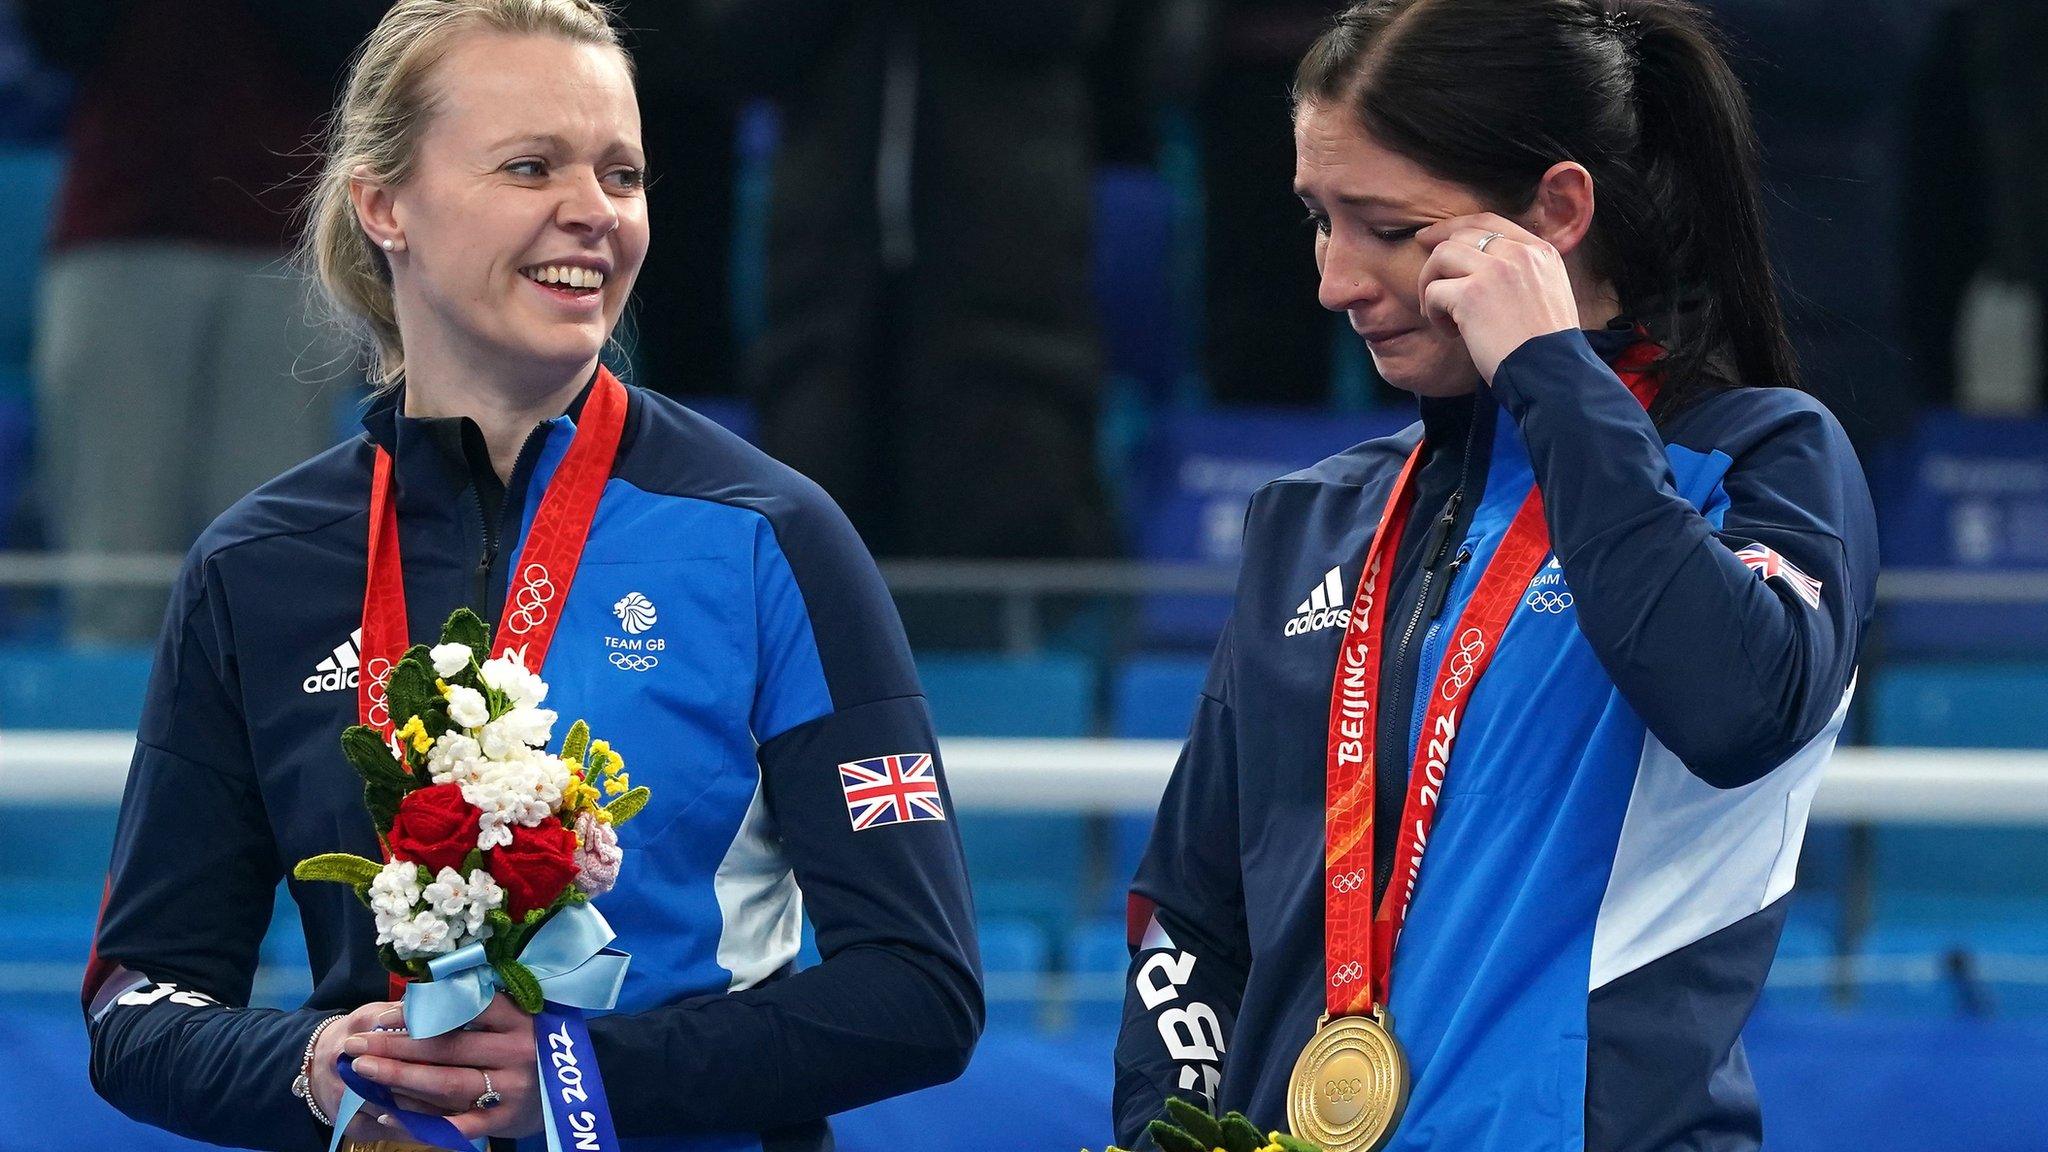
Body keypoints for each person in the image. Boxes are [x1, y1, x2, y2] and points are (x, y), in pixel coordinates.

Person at [81, 3, 982, 1150]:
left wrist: (582, 1077)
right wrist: (317, 1070)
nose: (592, 213)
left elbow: (920, 989)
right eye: (528, 166)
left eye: (623, 173)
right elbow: (136, 1001)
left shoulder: (769, 535)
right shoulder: (256, 569)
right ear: (383, 204)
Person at [1114, 2, 1876, 1151]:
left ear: (1554, 213)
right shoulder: (1311, 522)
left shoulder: (1761, 462)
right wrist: (1160, 1133)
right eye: (1318, 218)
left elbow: (1734, 706)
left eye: (1387, 227)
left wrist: (1546, 372)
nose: (1334, 280)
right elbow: (1189, 916)